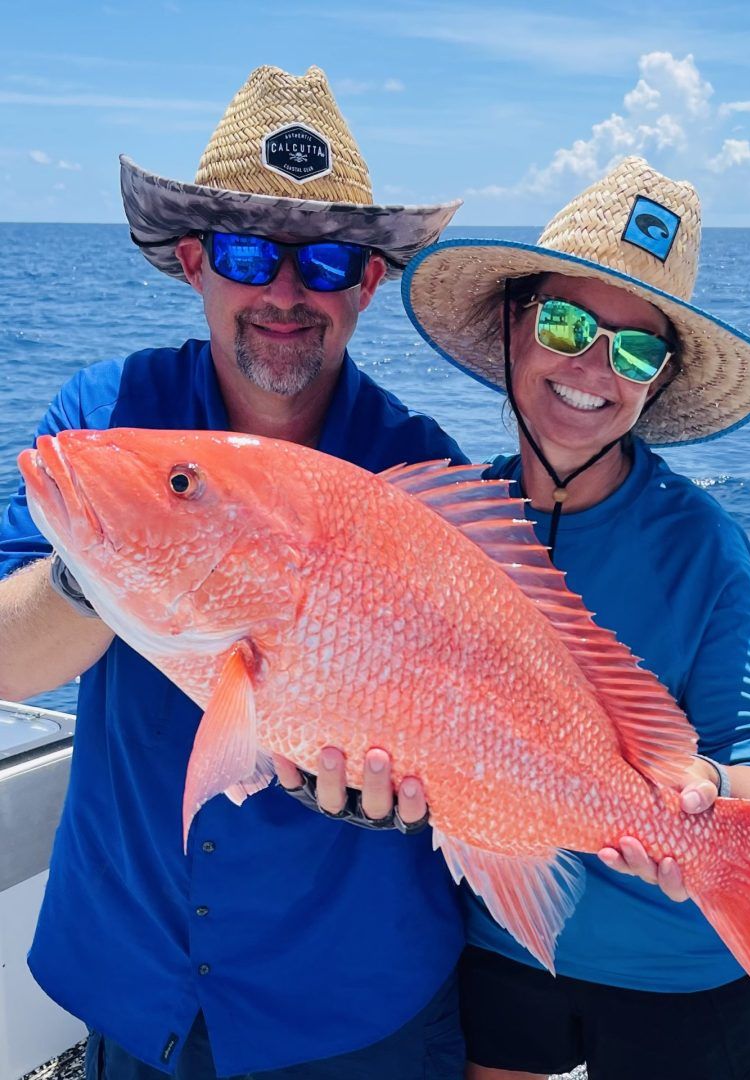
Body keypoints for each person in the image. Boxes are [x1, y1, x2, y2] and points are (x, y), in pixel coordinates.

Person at [0, 65, 469, 1080]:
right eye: (251, 254)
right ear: (193, 261)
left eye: (329, 262)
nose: (286, 293)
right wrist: (112, 556)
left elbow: (474, 713)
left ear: (370, 283)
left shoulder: (422, 477)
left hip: (353, 1003)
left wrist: (417, 794)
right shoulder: (105, 421)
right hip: (138, 980)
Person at [402, 157, 750, 1080]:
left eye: (636, 351)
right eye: (565, 322)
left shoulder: (703, 545)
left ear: (657, 383)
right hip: (502, 944)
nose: (594, 367)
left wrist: (703, 802)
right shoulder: (447, 524)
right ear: (512, 324)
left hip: (686, 976)